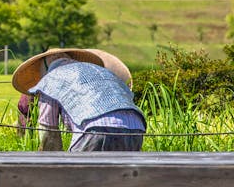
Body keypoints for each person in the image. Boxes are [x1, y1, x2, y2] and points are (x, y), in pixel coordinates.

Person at [11, 48, 146, 153]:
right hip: (136, 128)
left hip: (95, 130)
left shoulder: (51, 79)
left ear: (44, 71)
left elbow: (49, 132)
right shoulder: (102, 72)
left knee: (78, 182)